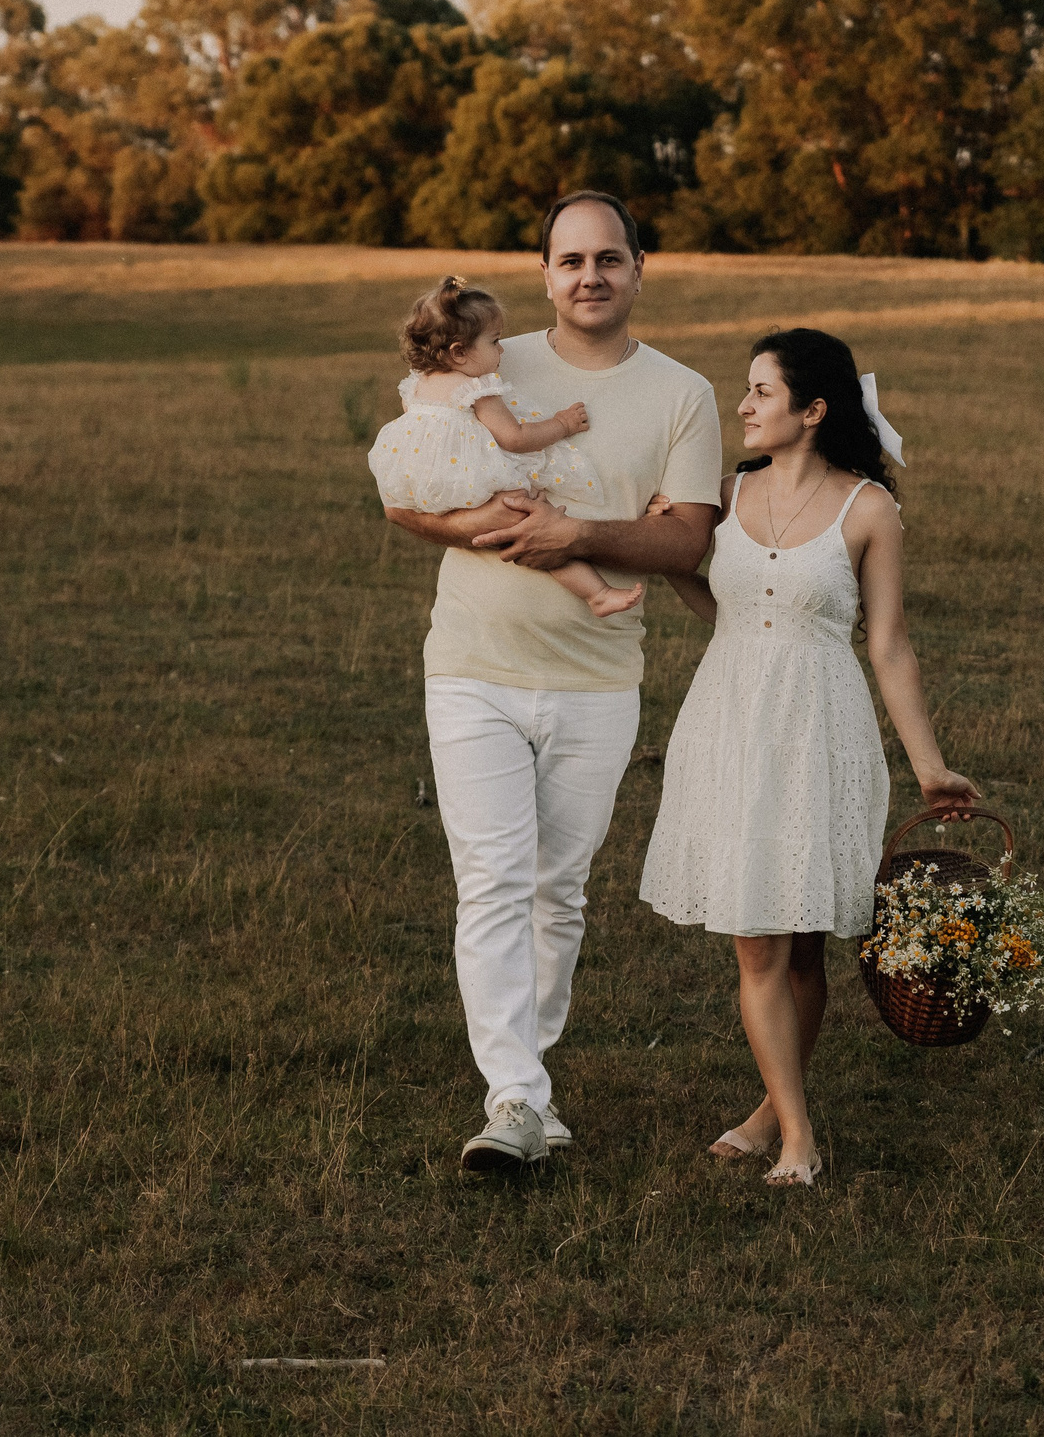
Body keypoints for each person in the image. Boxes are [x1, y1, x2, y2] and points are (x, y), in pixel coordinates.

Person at [375, 192, 721, 1175]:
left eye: (609, 258)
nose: (590, 276)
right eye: (571, 261)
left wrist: (581, 534)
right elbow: (404, 495)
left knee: (556, 892)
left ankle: (528, 1079)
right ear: (545, 276)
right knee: (490, 884)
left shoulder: (680, 393)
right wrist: (499, 533)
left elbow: (687, 537)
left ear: (639, 268)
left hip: (598, 682)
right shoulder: (485, 356)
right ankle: (517, 1100)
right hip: (473, 666)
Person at [641, 328, 977, 1188]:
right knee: (756, 943)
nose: (744, 405)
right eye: (745, 389)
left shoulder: (868, 509)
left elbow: (890, 646)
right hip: (730, 722)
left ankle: (767, 1113)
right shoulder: (726, 494)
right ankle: (797, 1134)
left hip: (820, 731)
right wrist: (672, 556)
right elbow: (724, 606)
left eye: (760, 391)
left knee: (800, 950)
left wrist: (931, 766)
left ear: (813, 409)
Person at [369, 277, 643, 618]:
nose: (502, 351)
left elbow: (421, 434)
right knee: (532, 528)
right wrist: (562, 424)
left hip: (429, 488)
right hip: (474, 482)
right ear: (459, 352)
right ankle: (597, 593)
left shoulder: (417, 385)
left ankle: (596, 591)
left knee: (514, 531)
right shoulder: (476, 387)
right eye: (495, 342)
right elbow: (513, 436)